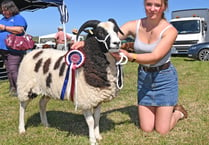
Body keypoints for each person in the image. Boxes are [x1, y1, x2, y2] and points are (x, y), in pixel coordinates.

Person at [72, 0, 188, 135]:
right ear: (144, 5)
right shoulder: (134, 25)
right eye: (149, 4)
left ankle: (178, 112)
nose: (152, 9)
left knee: (162, 130)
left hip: (164, 77)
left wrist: (129, 56)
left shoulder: (170, 31)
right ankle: (162, 110)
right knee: (147, 128)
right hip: (144, 77)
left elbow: (156, 56)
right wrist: (86, 42)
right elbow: (109, 37)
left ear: (164, 7)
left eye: (157, 5)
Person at [0, 0, 28, 96]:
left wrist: (4, 27)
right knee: (8, 70)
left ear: (11, 9)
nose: (3, 12)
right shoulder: (3, 19)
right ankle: (13, 88)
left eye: (5, 10)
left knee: (13, 69)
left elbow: (20, 29)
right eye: (2, 10)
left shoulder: (18, 18)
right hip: (3, 49)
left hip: (14, 49)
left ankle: (21, 89)